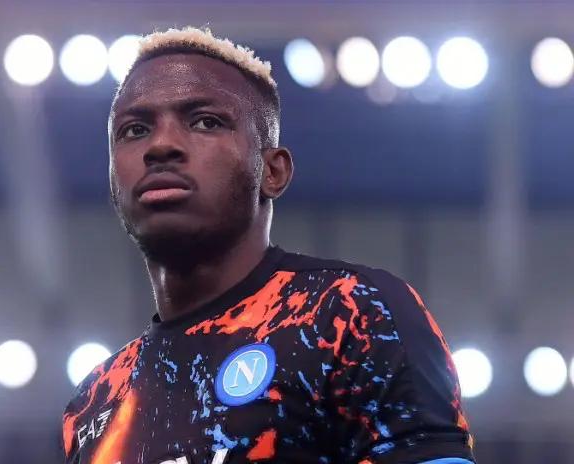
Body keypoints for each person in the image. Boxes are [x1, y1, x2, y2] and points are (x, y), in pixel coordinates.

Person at [62, 27, 475, 464]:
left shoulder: (349, 313)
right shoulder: (96, 398)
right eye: (134, 130)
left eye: (205, 121)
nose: (161, 145)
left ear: (273, 172)